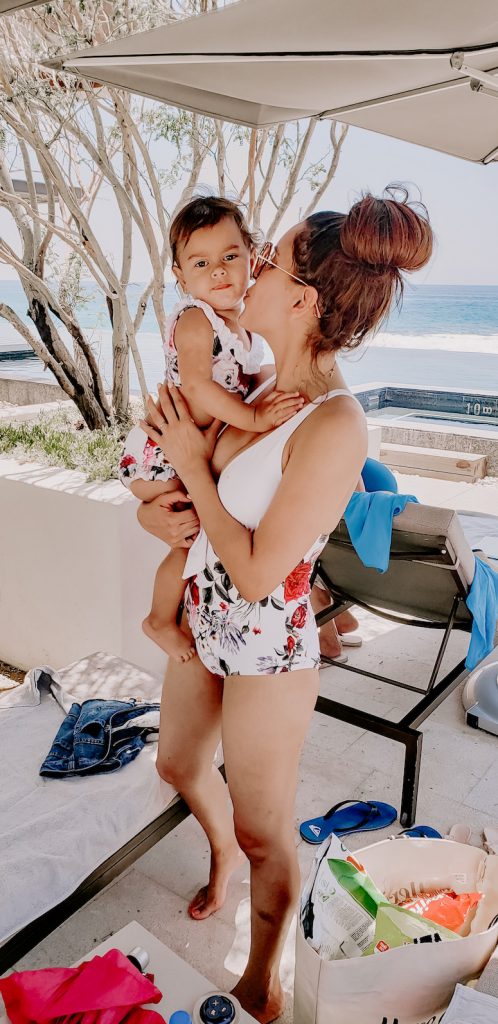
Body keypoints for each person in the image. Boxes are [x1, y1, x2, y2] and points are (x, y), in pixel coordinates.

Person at [138, 190, 433, 1023]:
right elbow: (198, 504)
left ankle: (262, 977)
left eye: (265, 259)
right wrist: (156, 506)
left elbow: (266, 572)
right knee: (176, 766)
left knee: (272, 833)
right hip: (203, 618)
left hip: (266, 651)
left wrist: (196, 467)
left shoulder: (335, 424)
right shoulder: (262, 386)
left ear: (302, 299)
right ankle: (220, 849)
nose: (248, 268)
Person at [119, 196, 304, 663]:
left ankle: (165, 617)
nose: (218, 272)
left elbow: (240, 380)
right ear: (180, 277)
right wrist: (257, 418)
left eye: (229, 257)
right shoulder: (196, 320)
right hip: (161, 454)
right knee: (192, 539)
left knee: (194, 538)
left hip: (185, 451)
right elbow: (200, 388)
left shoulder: (240, 329)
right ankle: (159, 619)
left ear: (250, 258)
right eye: (201, 263)